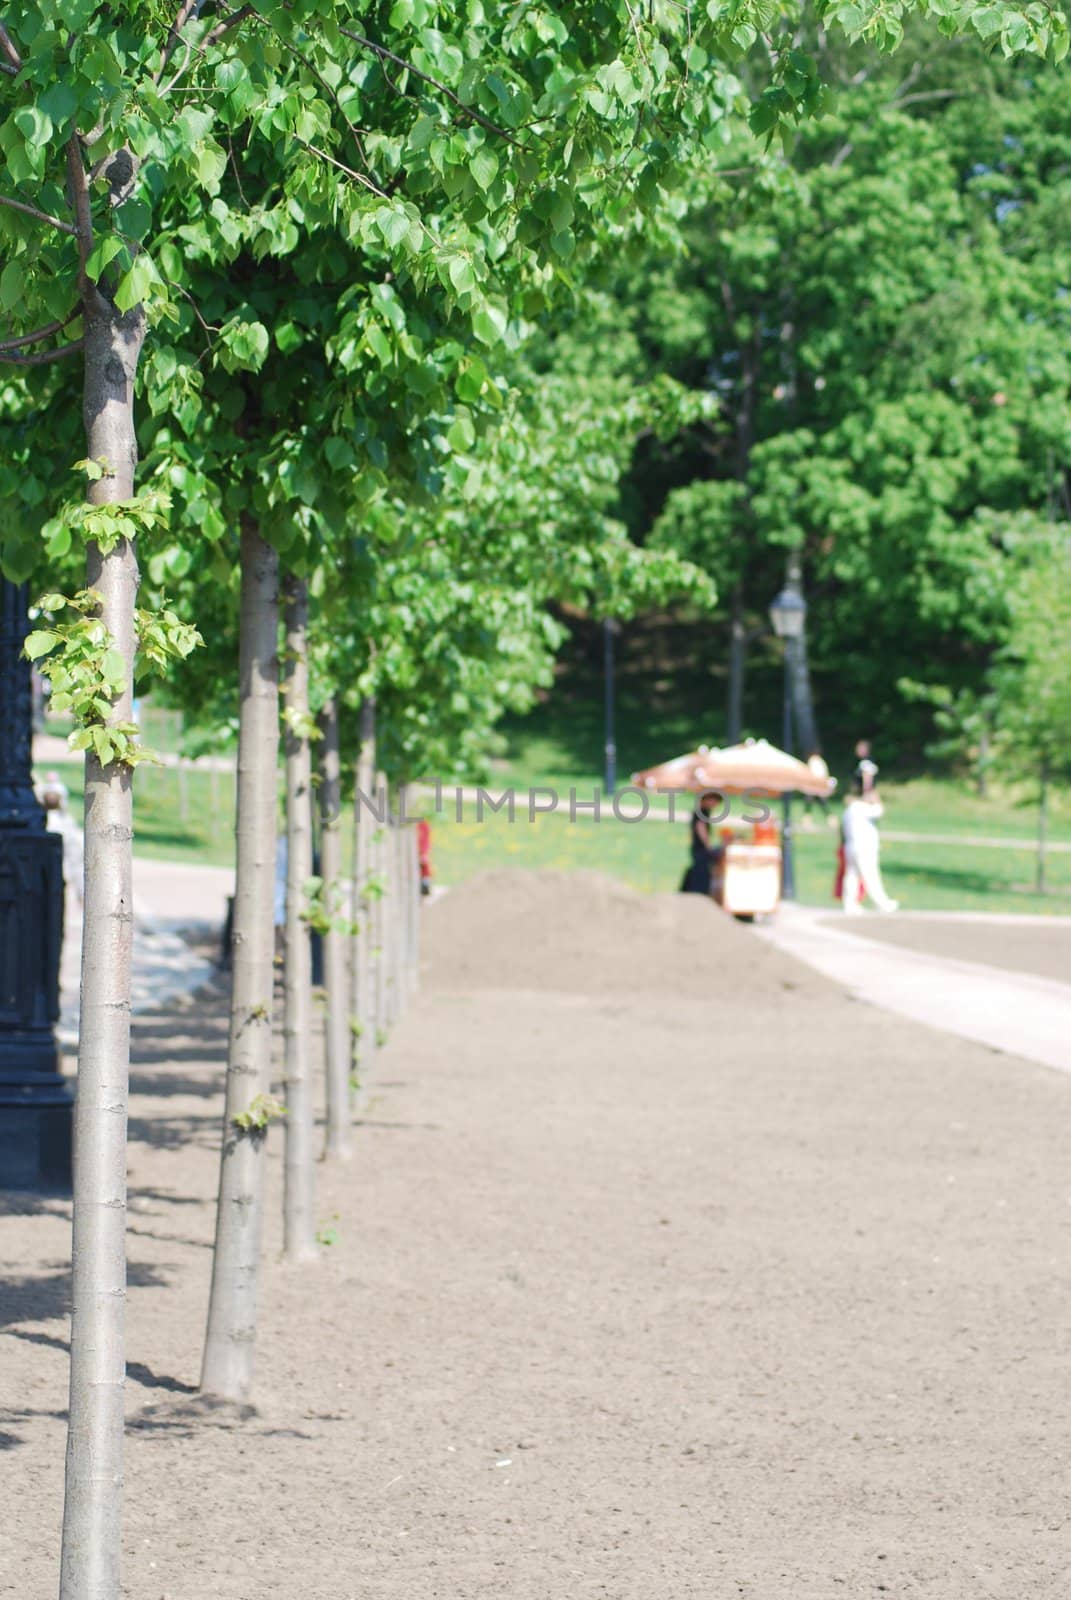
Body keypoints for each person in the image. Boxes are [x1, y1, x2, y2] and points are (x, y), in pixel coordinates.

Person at [841, 776, 898, 914]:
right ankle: (881, 903)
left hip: (851, 846)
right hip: (864, 847)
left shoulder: (850, 810)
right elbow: (879, 810)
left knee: (852, 875)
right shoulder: (862, 808)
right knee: (871, 875)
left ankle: (850, 904)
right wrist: (875, 798)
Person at [680, 794, 720, 895]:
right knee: (701, 872)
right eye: (714, 801)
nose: (715, 805)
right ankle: (696, 893)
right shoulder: (702, 812)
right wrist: (708, 846)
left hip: (698, 847)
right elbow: (700, 827)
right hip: (700, 848)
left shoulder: (700, 811)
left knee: (698, 869)